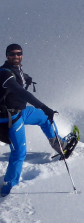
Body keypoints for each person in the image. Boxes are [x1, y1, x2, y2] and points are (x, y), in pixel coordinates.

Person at [0, 44, 68, 197]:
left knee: (44, 118)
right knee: (18, 153)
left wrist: (27, 78)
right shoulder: (4, 73)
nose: (16, 56)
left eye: (19, 53)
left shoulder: (16, 69)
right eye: (12, 54)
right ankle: (9, 189)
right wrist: (43, 106)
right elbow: (19, 91)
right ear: (7, 55)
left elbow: (20, 78)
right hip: (11, 118)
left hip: (21, 112)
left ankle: (59, 144)